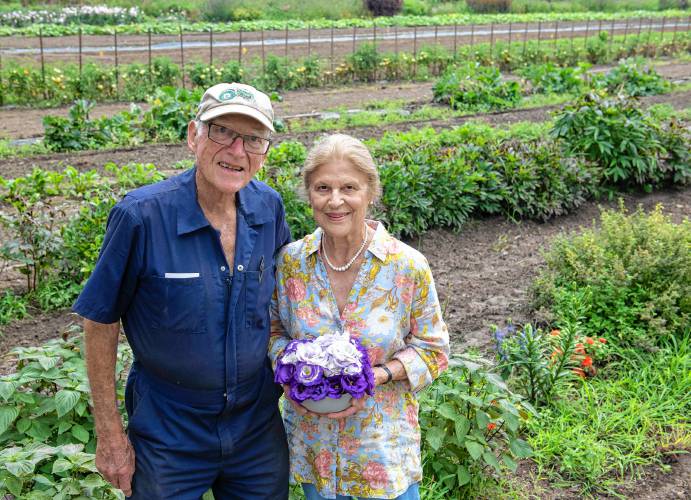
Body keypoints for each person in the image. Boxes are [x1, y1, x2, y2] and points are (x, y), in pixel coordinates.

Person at [73, 82, 291, 499]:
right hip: (168, 429)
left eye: (253, 139)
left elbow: (290, 294)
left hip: (256, 426)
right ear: (193, 135)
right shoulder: (140, 216)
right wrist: (110, 435)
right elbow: (100, 319)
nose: (236, 151)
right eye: (222, 132)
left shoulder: (269, 208)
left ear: (265, 150)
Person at [268, 134, 450, 500]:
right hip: (315, 450)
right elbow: (275, 332)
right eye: (323, 188)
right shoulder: (291, 263)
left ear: (370, 191)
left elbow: (434, 351)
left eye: (349, 187)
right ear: (309, 195)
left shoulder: (406, 266)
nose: (335, 201)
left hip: (382, 452)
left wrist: (377, 376)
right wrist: (292, 371)